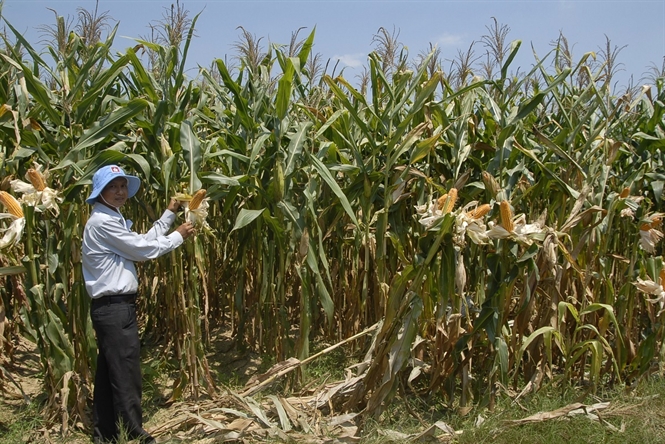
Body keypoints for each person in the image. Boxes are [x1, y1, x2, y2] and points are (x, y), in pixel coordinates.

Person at [82, 164, 195, 443]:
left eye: (122, 186)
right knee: (126, 371)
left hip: (112, 307)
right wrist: (179, 235)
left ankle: (105, 434)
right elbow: (144, 251)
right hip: (114, 307)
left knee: (111, 371)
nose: (120, 192)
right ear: (101, 192)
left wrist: (169, 214)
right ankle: (134, 433)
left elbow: (141, 240)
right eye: (113, 187)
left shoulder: (112, 217)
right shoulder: (103, 222)